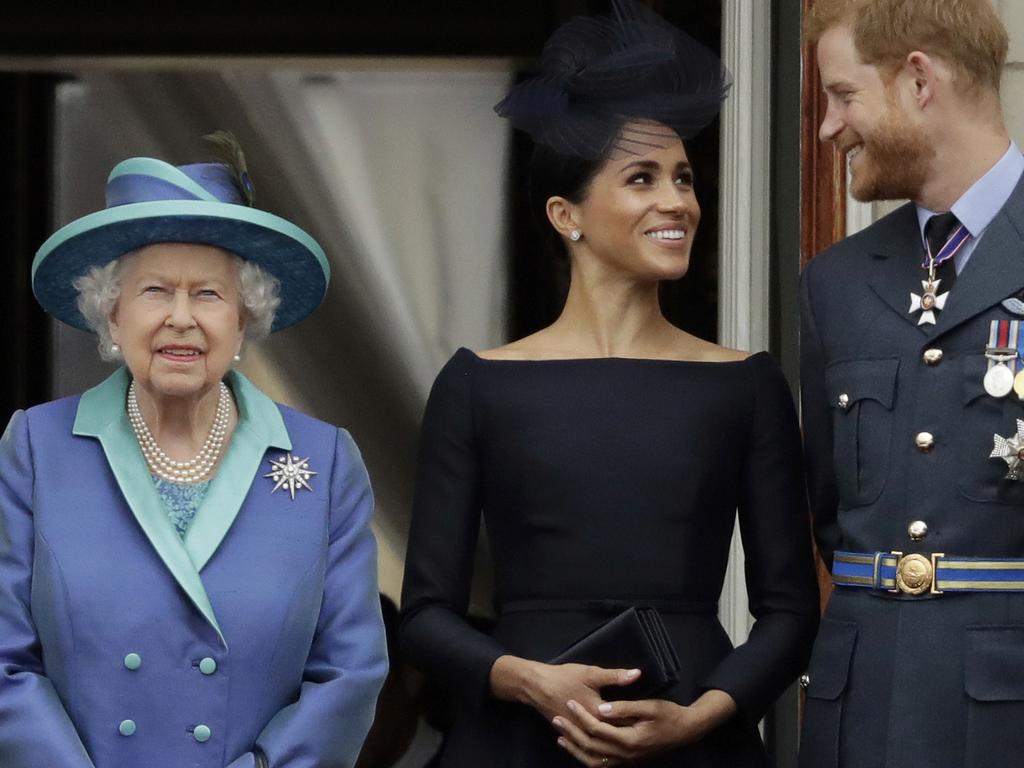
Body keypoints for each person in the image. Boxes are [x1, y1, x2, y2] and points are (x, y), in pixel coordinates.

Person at [399, 3, 819, 766]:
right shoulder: (475, 385)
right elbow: (427, 614)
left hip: (692, 741)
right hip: (517, 741)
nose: (678, 202)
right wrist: (524, 680)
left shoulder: (745, 387)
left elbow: (790, 613)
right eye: (642, 178)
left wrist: (702, 716)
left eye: (685, 178)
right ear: (568, 215)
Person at [0, 133, 388, 768]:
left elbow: (350, 673)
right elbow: (4, 658)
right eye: (155, 290)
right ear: (112, 315)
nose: (182, 317)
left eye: (208, 293)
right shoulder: (37, 450)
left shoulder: (327, 462)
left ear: (244, 319)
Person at [799, 2, 1024, 766]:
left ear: (919, 80)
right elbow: (831, 511)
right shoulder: (834, 283)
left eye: (843, 94)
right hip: (860, 712)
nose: (829, 127)